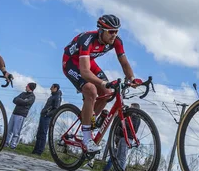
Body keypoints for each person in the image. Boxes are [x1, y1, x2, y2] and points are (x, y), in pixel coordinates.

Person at [62, 14, 140, 153]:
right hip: (71, 62)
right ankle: (86, 139)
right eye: (111, 31)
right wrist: (103, 83)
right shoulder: (87, 40)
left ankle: (89, 120)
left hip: (89, 61)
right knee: (91, 90)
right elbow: (85, 72)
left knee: (109, 93)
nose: (114, 35)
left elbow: (124, 62)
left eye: (116, 31)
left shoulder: (116, 41)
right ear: (101, 30)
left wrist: (132, 78)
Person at [31, 83, 62, 156]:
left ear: (55, 88)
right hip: (43, 116)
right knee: (39, 133)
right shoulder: (52, 96)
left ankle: (39, 151)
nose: (50, 89)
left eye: (52, 87)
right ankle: (35, 150)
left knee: (43, 134)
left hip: (47, 117)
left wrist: (47, 114)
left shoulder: (57, 97)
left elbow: (56, 109)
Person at [6, 82, 36, 149]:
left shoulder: (32, 97)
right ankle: (6, 143)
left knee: (16, 132)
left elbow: (26, 102)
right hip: (14, 113)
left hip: (21, 115)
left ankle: (13, 145)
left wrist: (19, 100)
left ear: (30, 87)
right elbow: (14, 100)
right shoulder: (23, 93)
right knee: (9, 129)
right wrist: (21, 100)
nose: (26, 86)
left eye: (27, 86)